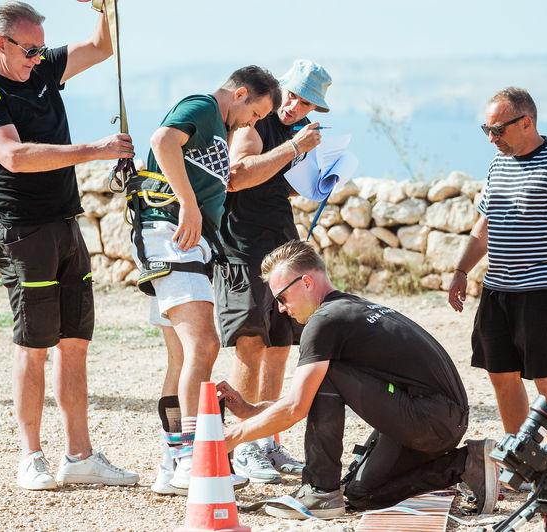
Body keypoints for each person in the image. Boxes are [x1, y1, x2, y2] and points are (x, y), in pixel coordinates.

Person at [0, 1, 138, 490]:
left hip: (66, 223)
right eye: (30, 50)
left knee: (75, 343)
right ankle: (30, 457)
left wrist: (104, 5)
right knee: (33, 347)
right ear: (1, 43)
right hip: (23, 231)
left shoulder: (41, 67)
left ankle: (79, 455)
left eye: (41, 49)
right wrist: (95, 150)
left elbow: (101, 45)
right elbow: (14, 156)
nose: (39, 58)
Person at [218, 240, 499, 518]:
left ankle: (320, 490)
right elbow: (303, 399)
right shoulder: (350, 308)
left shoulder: (324, 322)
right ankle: (466, 463)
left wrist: (231, 438)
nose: (281, 308)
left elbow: (296, 407)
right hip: (439, 420)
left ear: (306, 282)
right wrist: (251, 411)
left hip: (429, 420)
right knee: (361, 494)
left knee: (326, 373)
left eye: (281, 298)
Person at [127, 66, 281, 495]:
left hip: (185, 243)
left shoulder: (219, 128)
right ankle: (195, 459)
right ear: (241, 93)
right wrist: (189, 204)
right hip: (172, 237)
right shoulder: (203, 106)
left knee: (182, 358)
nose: (251, 123)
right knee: (205, 346)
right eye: (255, 113)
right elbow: (162, 141)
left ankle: (173, 460)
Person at [448, 87, 547, 500]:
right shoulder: (498, 163)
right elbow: (485, 225)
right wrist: (461, 270)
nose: (491, 138)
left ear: (526, 122)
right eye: (486, 130)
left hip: (543, 292)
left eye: (497, 129)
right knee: (501, 376)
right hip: (498, 291)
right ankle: (524, 464)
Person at [213, 59, 332, 484]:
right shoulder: (253, 124)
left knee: (280, 344)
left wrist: (324, 176)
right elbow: (237, 176)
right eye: (293, 96)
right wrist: (296, 149)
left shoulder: (290, 133)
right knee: (250, 343)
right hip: (241, 246)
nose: (295, 106)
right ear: (281, 89)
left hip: (280, 246)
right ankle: (243, 446)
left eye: (306, 103)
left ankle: (267, 441)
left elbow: (278, 185)